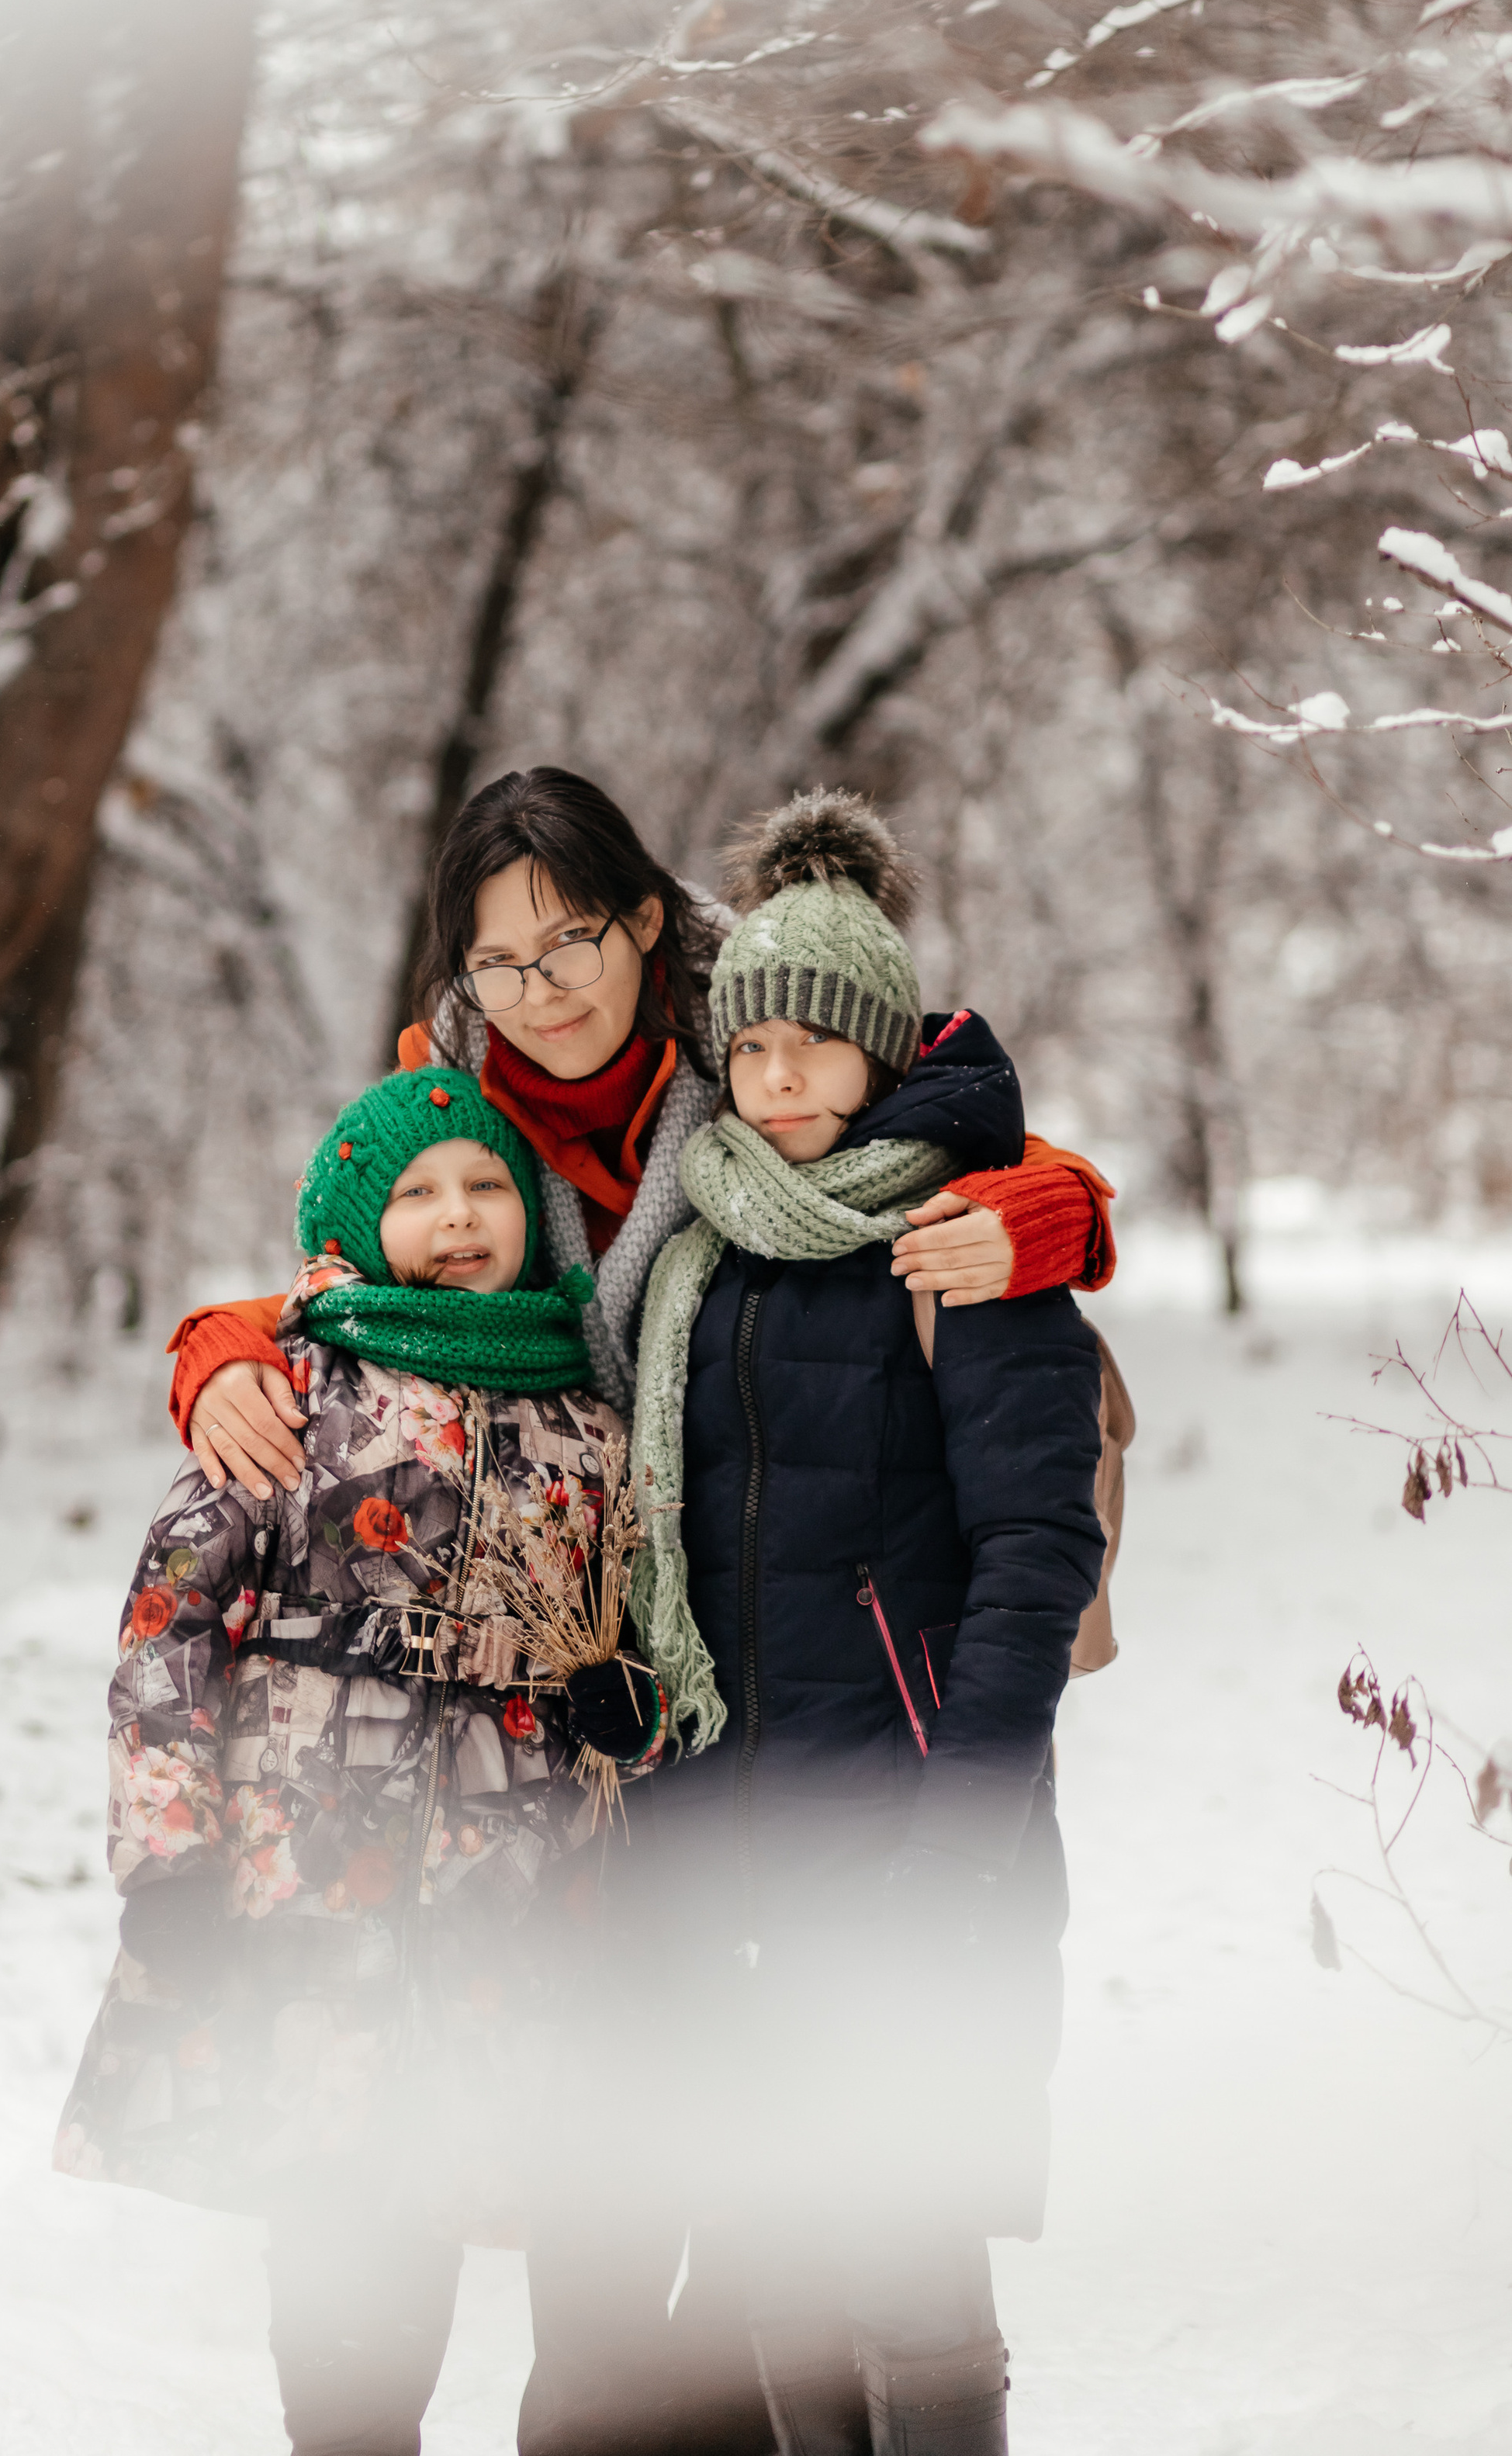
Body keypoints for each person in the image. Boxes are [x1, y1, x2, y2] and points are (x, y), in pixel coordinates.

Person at [55, 1065, 668, 2456]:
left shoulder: (586, 1416)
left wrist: (619, 1700)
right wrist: (168, 1859)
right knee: (346, 2264)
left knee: (470, 2194)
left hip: (512, 1908)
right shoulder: (291, 1394)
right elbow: (170, 1629)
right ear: (352, 1216)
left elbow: (633, 1627)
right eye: (417, 1193)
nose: (456, 1218)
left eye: (486, 1187)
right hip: (311, 1897)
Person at [624, 791, 1108, 2456]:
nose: (773, 1079)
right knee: (771, 2250)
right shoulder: (704, 1246)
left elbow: (1035, 1548)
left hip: (904, 1828)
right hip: (729, 1836)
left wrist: (958, 1832)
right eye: (746, 1050)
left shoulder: (967, 1240)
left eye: (809, 1050)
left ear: (880, 1054)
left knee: (902, 2251)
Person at [168, 768, 1116, 1509]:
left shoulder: (761, 1034)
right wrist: (227, 1341)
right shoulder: (453, 1103)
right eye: (496, 966)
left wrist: (1048, 1209)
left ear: (645, 919)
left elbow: (940, 1118)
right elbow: (369, 1276)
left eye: (572, 942)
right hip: (569, 1566)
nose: (540, 995)